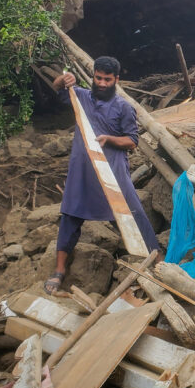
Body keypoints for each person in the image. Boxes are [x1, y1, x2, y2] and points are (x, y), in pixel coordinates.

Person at [44, 56, 160, 294]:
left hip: (113, 171)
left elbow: (132, 141)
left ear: (116, 80)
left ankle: (157, 262)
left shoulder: (124, 107)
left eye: (108, 79)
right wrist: (62, 79)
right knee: (70, 215)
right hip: (82, 171)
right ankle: (59, 270)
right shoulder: (81, 97)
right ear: (93, 76)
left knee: (134, 214)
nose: (103, 83)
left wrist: (109, 139)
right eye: (99, 78)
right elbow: (56, 90)